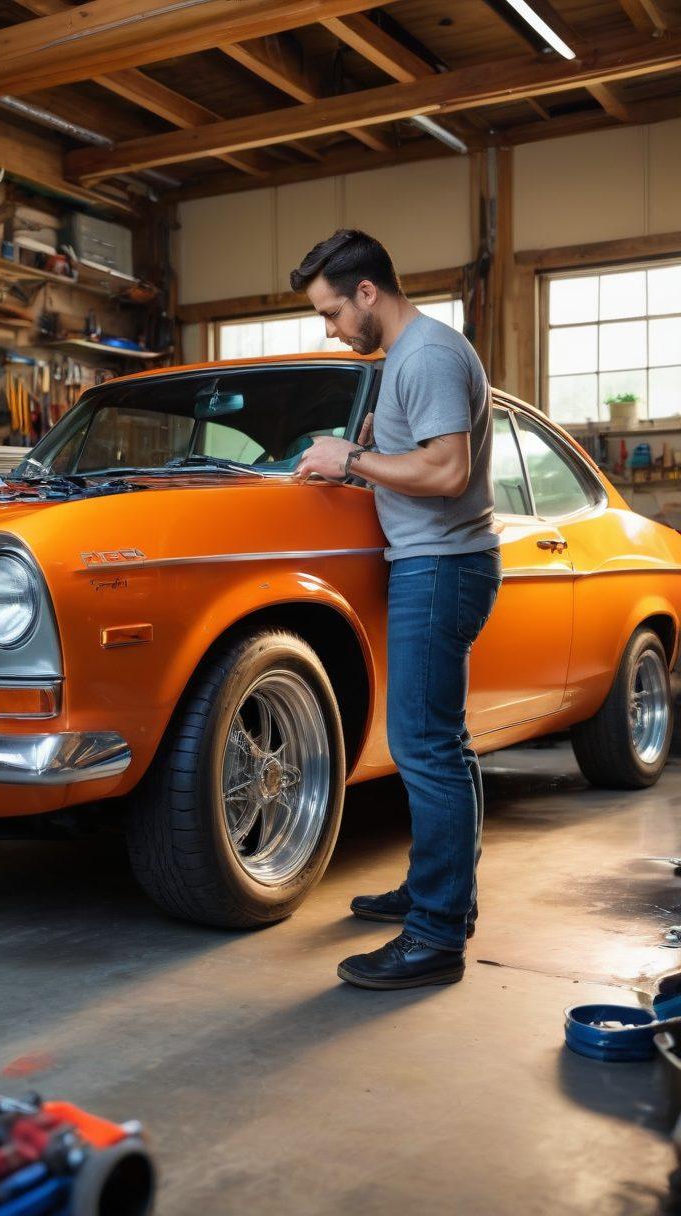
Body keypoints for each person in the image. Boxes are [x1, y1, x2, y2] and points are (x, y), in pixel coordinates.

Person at [289, 229, 501, 990]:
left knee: (425, 749)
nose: (331, 329)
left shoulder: (430, 355)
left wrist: (351, 459)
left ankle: (437, 937)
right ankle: (441, 895)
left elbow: (447, 471)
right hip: (437, 565)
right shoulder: (404, 361)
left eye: (332, 312)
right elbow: (421, 455)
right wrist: (379, 449)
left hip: (442, 569)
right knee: (444, 743)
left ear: (368, 293)